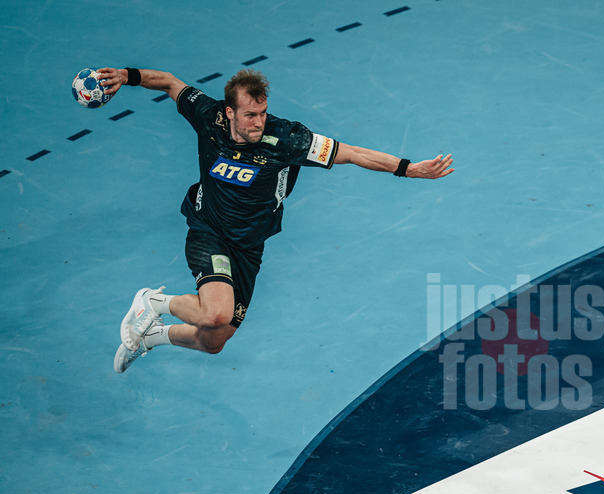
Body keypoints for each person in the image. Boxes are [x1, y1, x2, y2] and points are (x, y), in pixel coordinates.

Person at [95, 66, 454, 373]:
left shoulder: (287, 138)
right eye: (250, 115)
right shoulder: (208, 117)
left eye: (263, 112)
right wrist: (127, 77)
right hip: (209, 231)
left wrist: (407, 169)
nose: (259, 122)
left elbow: (352, 153)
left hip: (249, 245)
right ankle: (153, 303)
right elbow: (171, 83)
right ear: (229, 112)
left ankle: (153, 336)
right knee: (216, 314)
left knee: (214, 340)